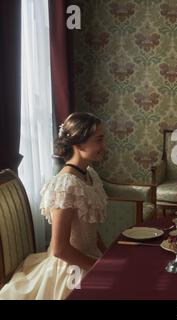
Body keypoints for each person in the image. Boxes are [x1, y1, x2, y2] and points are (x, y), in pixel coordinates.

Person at [0, 112, 108, 300]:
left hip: (91, 258)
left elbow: (90, 224)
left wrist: (107, 256)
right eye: (98, 140)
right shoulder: (65, 186)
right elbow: (60, 249)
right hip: (71, 268)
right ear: (79, 142)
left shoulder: (90, 175)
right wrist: (97, 268)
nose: (104, 146)